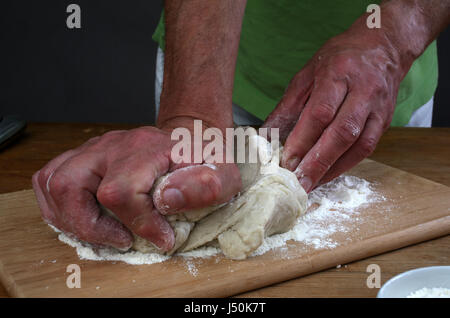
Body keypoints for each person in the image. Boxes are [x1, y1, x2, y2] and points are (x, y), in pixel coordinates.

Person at [32, 0, 450, 252]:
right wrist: (192, 120)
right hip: (213, 56)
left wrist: (396, 34)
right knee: (179, 186)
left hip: (380, 75)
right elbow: (192, 132)